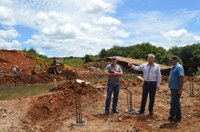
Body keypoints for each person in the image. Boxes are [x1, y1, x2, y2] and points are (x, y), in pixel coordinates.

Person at [168, 56, 184, 122]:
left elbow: (181, 77)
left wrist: (180, 89)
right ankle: (178, 116)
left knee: (173, 103)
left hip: (176, 88)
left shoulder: (179, 67)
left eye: (171, 60)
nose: (170, 61)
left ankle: (172, 116)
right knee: (176, 102)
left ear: (175, 60)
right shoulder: (172, 67)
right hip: (172, 88)